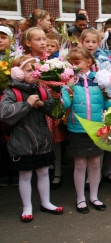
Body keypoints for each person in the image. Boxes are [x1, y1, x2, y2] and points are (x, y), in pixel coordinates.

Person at [0, 56, 64, 222]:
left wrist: (44, 104)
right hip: (22, 142)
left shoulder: (41, 90)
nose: (34, 73)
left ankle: (46, 202)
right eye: (29, 70)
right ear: (17, 72)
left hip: (42, 141)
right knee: (25, 175)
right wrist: (27, 104)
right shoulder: (11, 92)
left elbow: (56, 113)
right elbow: (5, 113)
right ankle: (27, 207)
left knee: (43, 172)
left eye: (35, 70)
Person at [62, 47, 111, 214]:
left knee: (94, 163)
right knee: (79, 165)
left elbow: (109, 105)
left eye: (77, 62)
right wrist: (62, 90)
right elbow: (65, 105)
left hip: (97, 128)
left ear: (89, 62)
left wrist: (109, 92)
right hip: (78, 128)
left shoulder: (99, 80)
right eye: (71, 63)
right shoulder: (70, 81)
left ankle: (94, 196)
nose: (74, 65)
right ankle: (80, 198)